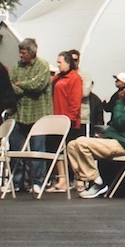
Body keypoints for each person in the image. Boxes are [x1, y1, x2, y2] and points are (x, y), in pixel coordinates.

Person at [68, 68, 125, 199]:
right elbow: (117, 122)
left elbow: (120, 123)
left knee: (81, 142)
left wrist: (120, 103)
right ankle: (94, 180)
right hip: (117, 140)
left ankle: (98, 183)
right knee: (71, 145)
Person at [7, 38, 52, 194]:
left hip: (38, 114)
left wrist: (20, 84)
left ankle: (37, 181)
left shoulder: (43, 65)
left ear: (31, 52)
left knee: (37, 150)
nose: (20, 55)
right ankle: (17, 182)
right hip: (19, 114)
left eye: (23, 52)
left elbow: (37, 85)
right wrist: (22, 85)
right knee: (16, 149)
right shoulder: (16, 67)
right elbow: (11, 86)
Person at [48, 50, 83, 192]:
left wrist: (70, 118)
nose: (58, 65)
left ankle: (80, 179)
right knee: (58, 149)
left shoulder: (74, 78)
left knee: (71, 151)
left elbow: (75, 100)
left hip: (69, 121)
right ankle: (62, 179)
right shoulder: (57, 78)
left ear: (68, 63)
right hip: (57, 120)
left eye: (60, 62)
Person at [69, 50, 93, 135]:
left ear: (79, 61)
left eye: (75, 60)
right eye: (71, 60)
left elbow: (85, 92)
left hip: (81, 116)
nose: (73, 62)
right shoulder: (63, 76)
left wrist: (67, 93)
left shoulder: (85, 76)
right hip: (67, 116)